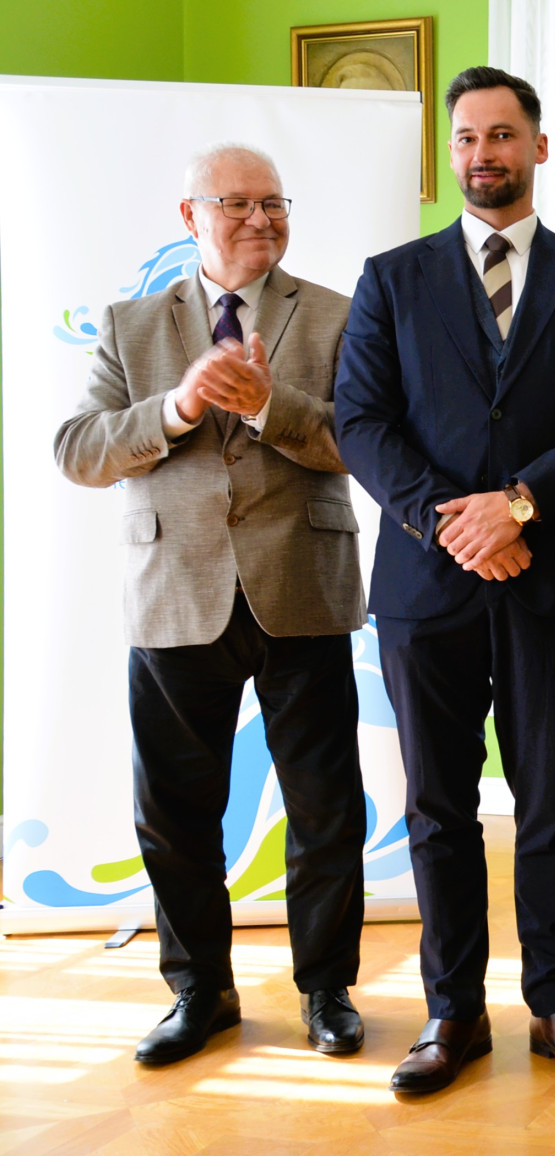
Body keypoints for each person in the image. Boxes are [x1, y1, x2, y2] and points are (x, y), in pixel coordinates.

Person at [334, 66, 555, 1095]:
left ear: (537, 147)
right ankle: (452, 1009)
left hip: (552, 579)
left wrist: (518, 504)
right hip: (427, 586)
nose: (483, 153)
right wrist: (457, 524)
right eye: (467, 137)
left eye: (502, 135)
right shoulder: (392, 278)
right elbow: (360, 421)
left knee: (551, 800)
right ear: (451, 153)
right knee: (438, 805)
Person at [54, 143, 368, 1065]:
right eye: (238, 203)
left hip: (302, 586)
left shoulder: (340, 314)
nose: (262, 218)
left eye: (275, 202)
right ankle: (200, 990)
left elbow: (362, 442)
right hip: (175, 592)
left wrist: (272, 405)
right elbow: (78, 449)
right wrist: (178, 409)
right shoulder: (130, 324)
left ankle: (327, 988)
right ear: (190, 215)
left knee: (324, 805)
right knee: (175, 810)